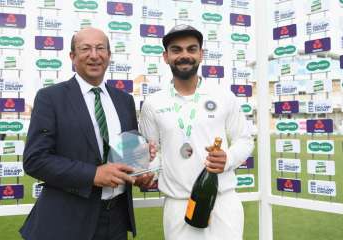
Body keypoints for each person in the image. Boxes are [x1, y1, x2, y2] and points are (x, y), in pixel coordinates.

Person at [20, 27, 154, 240]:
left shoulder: (124, 100)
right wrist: (93, 175)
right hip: (66, 222)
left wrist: (138, 174)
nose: (94, 55)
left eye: (100, 48)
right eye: (85, 49)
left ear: (109, 56)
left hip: (116, 220)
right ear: (72, 56)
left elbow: (126, 154)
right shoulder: (50, 98)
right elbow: (35, 160)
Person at [139, 24, 254, 240]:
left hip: (223, 202)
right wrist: (147, 171)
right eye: (176, 50)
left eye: (191, 49)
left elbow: (245, 140)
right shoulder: (153, 103)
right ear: (165, 57)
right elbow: (152, 153)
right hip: (178, 205)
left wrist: (227, 158)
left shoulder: (223, 96)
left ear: (201, 55)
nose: (184, 55)